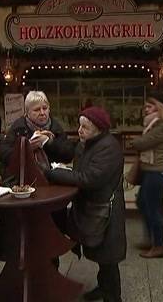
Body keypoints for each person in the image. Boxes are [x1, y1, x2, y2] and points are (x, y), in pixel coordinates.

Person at [45, 106, 126, 302]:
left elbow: (89, 178)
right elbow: (72, 153)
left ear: (99, 128)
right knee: (100, 254)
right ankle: (103, 288)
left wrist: (52, 172)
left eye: (85, 127)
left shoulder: (109, 147)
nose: (79, 131)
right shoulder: (87, 143)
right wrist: (50, 142)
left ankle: (113, 296)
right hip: (93, 206)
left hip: (106, 209)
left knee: (108, 257)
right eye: (79, 126)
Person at [0, 90, 75, 266]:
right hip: (28, 191)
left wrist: (48, 143)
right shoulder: (18, 128)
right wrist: (26, 148)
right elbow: (3, 153)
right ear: (27, 113)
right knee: (30, 237)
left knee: (52, 236)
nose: (42, 113)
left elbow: (68, 154)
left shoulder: (55, 126)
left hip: (53, 190)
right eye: (36, 109)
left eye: (45, 108)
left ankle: (52, 273)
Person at [131, 91, 163, 259]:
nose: (146, 109)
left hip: (157, 171)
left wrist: (135, 141)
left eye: (150, 105)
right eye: (145, 106)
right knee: (143, 202)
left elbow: (142, 143)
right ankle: (150, 239)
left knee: (152, 208)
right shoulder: (156, 123)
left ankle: (159, 245)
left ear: (159, 106)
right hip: (153, 170)